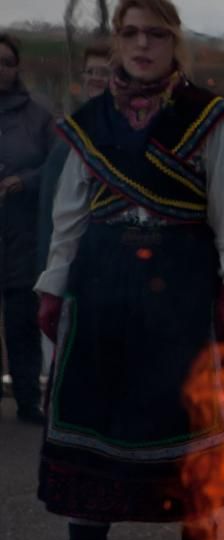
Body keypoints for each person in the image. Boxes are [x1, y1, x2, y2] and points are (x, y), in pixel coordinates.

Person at [29, 0, 224, 540]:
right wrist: (51, 282)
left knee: (188, 423)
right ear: (116, 41)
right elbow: (69, 217)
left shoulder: (208, 119)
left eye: (156, 34)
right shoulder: (89, 122)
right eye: (131, 33)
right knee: (94, 419)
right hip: (102, 290)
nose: (143, 45)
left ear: (174, 42)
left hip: (180, 292)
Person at [0, 33, 55, 424]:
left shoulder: (38, 116)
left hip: (21, 232)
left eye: (5, 61)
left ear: (16, 68)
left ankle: (27, 400)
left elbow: (54, 167)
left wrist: (24, 181)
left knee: (22, 321)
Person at [37, 42, 112, 296]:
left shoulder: (119, 136)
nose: (95, 78)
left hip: (97, 264)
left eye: (104, 72)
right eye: (90, 72)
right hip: (58, 254)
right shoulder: (70, 130)